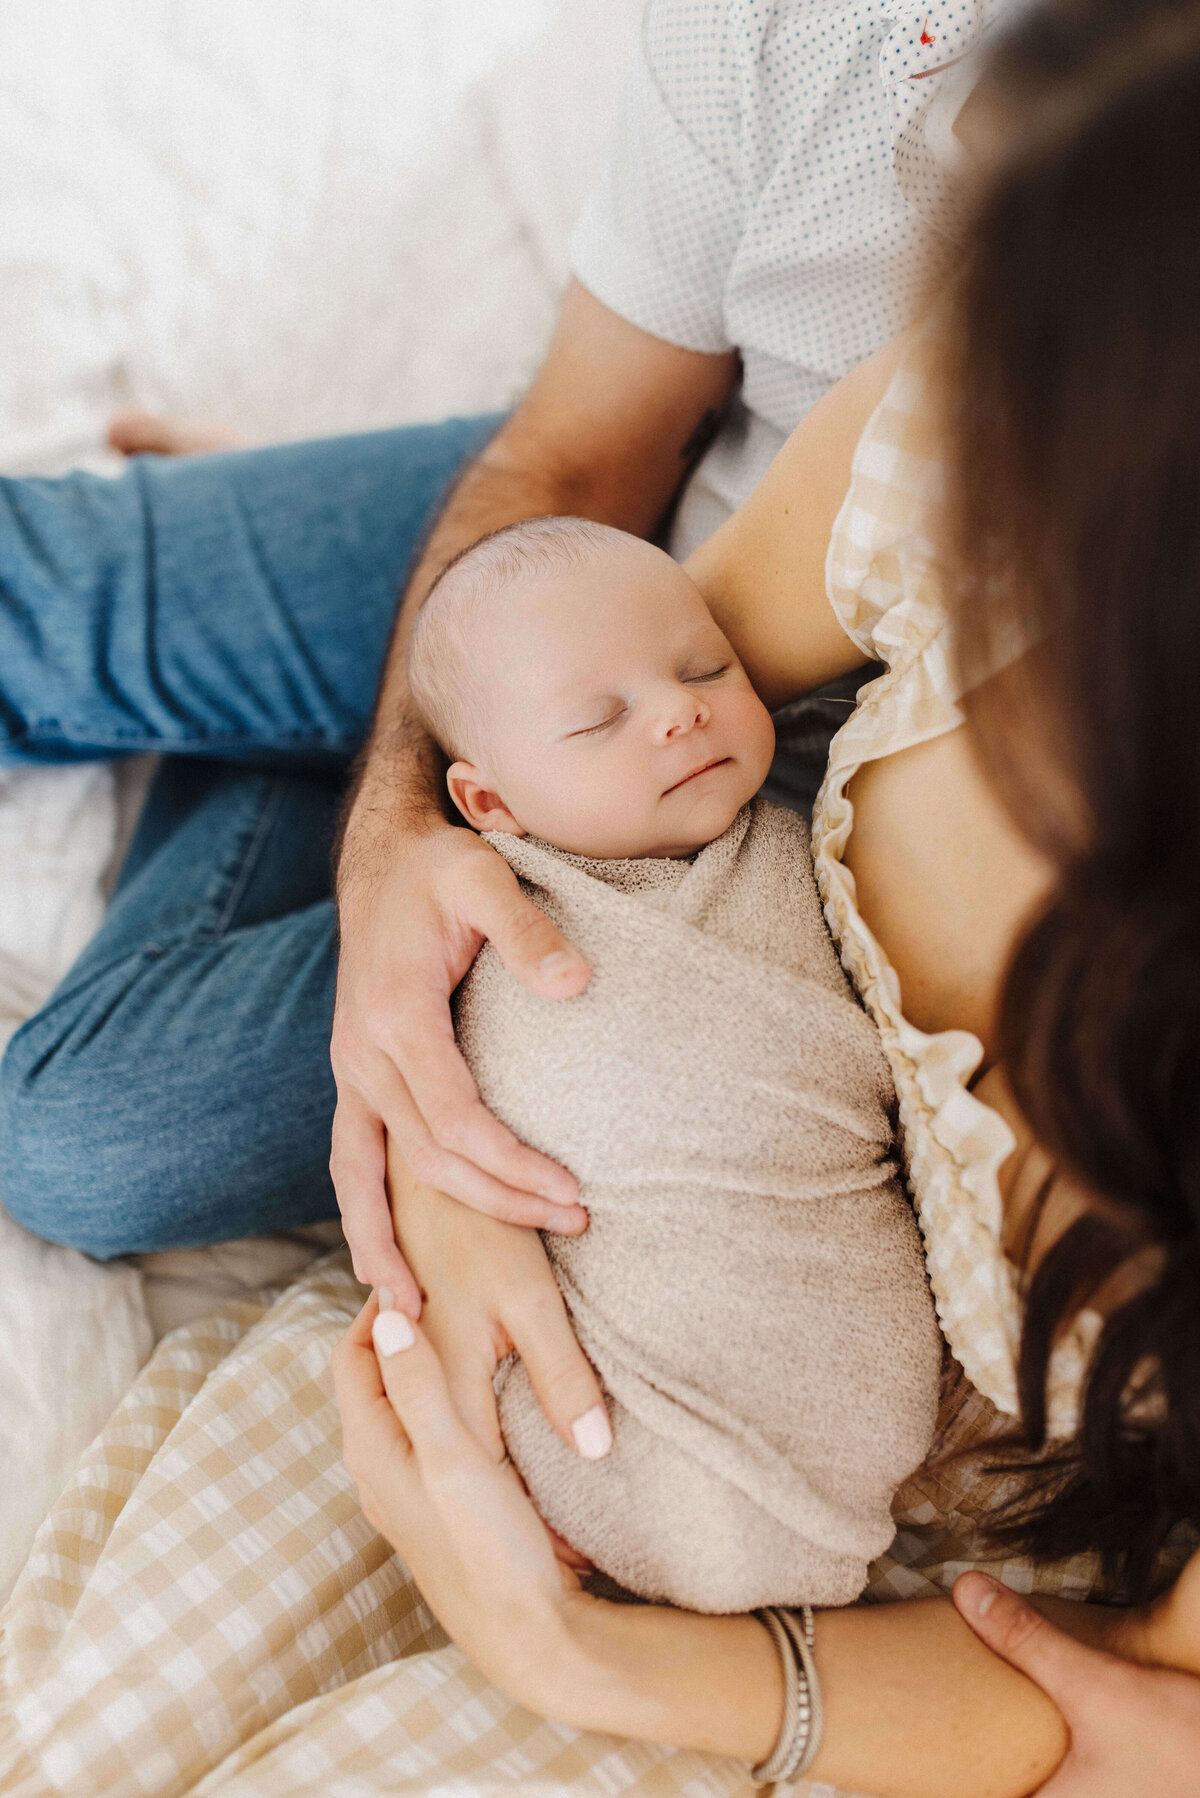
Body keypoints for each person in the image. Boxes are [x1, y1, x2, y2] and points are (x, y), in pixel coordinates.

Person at [331, 1, 1200, 1791]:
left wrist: (577, 1654)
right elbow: (588, 675)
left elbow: (1140, 1697)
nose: (938, 316)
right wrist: (449, 1128)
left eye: (1014, 264)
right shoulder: (958, 434)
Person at [0, 1, 1007, 1301]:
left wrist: (482, 979)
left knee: (87, 1139)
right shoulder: (780, 24)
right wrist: (394, 827)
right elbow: (579, 440)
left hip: (743, 766)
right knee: (34, 587)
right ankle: (360, 680)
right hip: (604, 540)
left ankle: (307, 708)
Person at [405, 514, 940, 1613]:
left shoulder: (811, 851)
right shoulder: (483, 919)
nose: (681, 710)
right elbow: (427, 1091)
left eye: (707, 668)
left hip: (823, 1299)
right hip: (629, 1338)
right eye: (598, 720)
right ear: (490, 806)